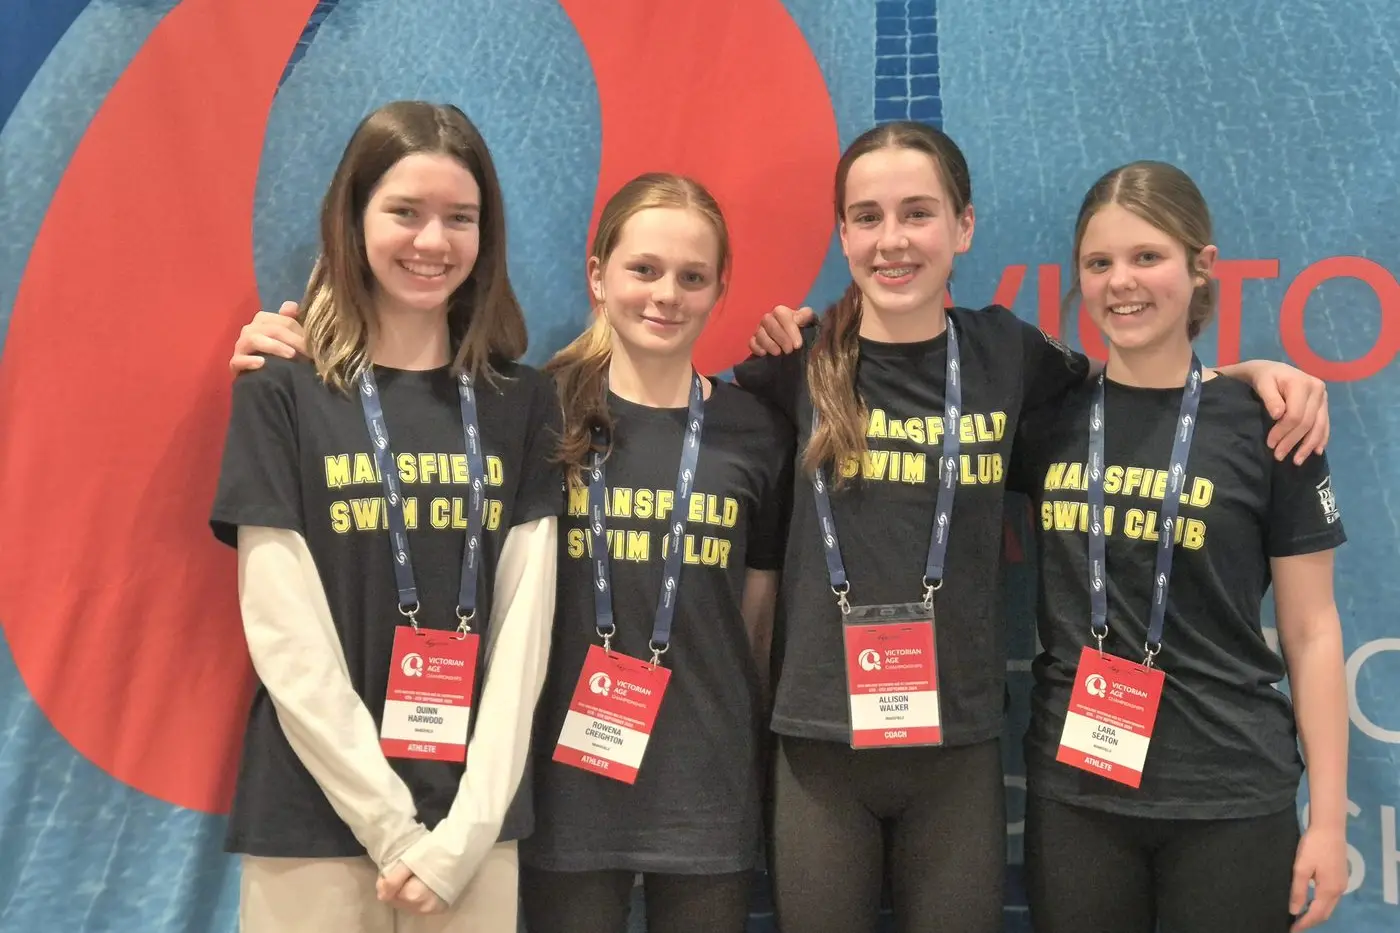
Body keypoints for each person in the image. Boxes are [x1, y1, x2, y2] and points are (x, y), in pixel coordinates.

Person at [734, 122, 1330, 933]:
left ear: (964, 227)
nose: (893, 239)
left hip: (965, 748)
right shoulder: (791, 365)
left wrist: (1248, 377)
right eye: (867, 217)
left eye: (918, 212)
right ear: (841, 233)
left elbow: (1151, 397)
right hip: (818, 746)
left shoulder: (1007, 356)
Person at [210, 100, 562, 933]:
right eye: (404, 211)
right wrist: (390, 826)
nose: (432, 242)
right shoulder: (279, 391)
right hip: (312, 815)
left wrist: (464, 832)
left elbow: (526, 630)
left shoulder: (524, 400)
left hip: (471, 832)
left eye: (460, 218)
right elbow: (282, 629)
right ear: (353, 216)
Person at [1005, 160, 1347, 933]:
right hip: (1078, 796)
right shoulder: (1047, 417)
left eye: (1147, 257)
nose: (1121, 282)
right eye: (1100, 263)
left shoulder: (1270, 424)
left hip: (1231, 794)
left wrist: (1326, 821)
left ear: (1201, 268)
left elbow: (1312, 630)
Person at [519, 173, 792, 931]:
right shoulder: (537, 415)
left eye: (692, 276)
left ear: (718, 288)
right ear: (598, 273)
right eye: (644, 269)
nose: (666, 294)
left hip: (705, 786)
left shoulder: (755, 431)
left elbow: (756, 622)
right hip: (564, 786)